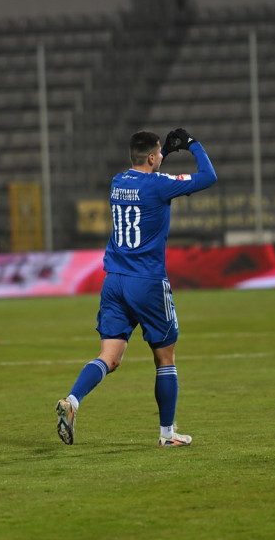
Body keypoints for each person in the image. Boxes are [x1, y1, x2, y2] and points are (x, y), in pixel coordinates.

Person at [54, 128, 217, 447]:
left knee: (109, 357)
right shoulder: (159, 185)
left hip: (114, 281)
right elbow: (208, 176)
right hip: (147, 283)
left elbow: (145, 177)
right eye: (158, 154)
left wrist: (162, 157)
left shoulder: (118, 183)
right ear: (153, 158)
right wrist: (192, 145)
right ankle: (167, 435)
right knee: (165, 358)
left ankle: (72, 402)